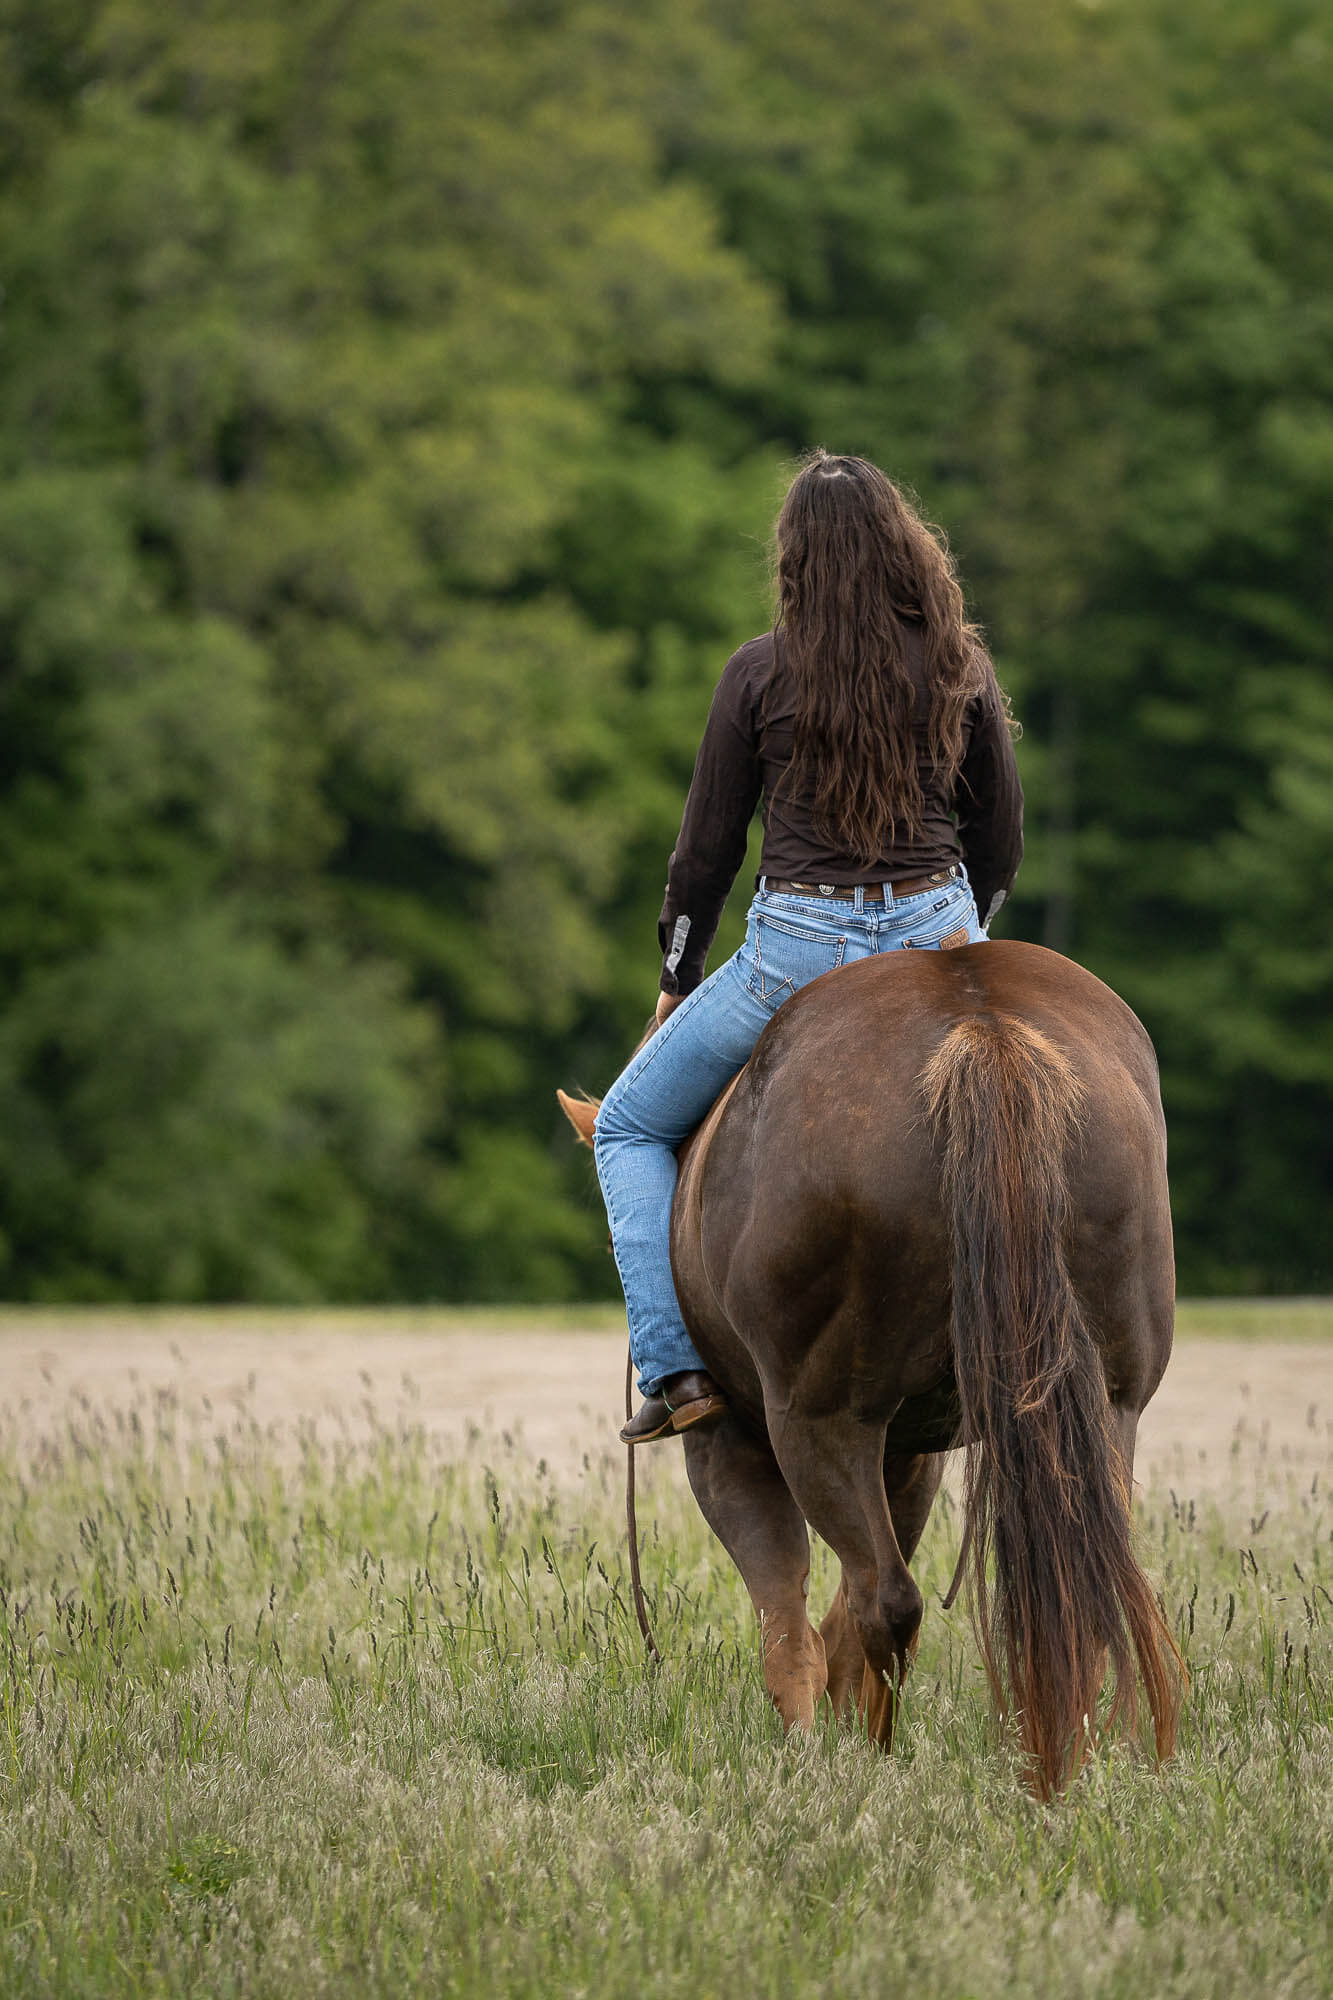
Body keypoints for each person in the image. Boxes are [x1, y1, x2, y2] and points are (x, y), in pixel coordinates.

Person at [594, 449, 1024, 1444]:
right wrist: (975, 942)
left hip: (798, 947)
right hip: (936, 928)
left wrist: (675, 980)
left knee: (622, 1125)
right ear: (900, 544)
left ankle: (674, 1366)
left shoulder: (757, 671)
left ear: (792, 559)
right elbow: (996, 833)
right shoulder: (958, 662)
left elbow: (704, 855)